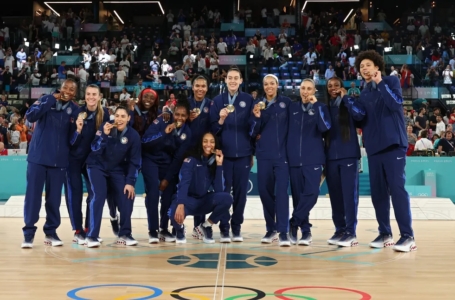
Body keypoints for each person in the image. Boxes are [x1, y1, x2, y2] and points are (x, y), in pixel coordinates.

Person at [349, 50, 416, 252]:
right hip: (374, 148)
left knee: (397, 190)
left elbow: (395, 105)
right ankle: (385, 233)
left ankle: (407, 236)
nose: (364, 69)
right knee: (378, 194)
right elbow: (361, 120)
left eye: (368, 65)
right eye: (361, 66)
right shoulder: (364, 91)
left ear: (377, 67)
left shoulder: (390, 81)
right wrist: (350, 105)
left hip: (394, 145)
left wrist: (380, 83)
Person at [21, 79, 80, 248]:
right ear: (60, 88)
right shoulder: (46, 99)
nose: (68, 91)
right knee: (33, 198)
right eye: (65, 87)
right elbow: (31, 116)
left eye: (71, 89)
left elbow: (72, 140)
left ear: (75, 93)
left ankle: (51, 232)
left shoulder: (75, 110)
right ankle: (28, 234)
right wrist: (51, 100)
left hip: (59, 161)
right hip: (37, 158)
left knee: (54, 200)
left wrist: (78, 131)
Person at [85, 103, 141, 247]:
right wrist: (104, 135)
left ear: (129, 118)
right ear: (113, 116)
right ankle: (92, 236)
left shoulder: (133, 135)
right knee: (99, 195)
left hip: (117, 169)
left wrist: (130, 182)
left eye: (123, 116)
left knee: (127, 195)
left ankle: (125, 233)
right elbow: (94, 149)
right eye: (117, 116)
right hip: (96, 166)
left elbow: (135, 162)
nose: (119, 119)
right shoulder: (105, 127)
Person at [209, 66, 255, 242]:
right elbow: (212, 130)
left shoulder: (248, 99)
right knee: (224, 194)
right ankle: (224, 228)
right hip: (224, 155)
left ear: (241, 80)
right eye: (230, 78)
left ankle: (236, 228)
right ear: (225, 80)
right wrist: (220, 120)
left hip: (243, 154)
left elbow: (252, 127)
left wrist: (251, 152)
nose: (233, 81)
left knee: (241, 194)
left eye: (236, 78)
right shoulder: (218, 100)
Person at [141, 96, 192, 243]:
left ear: (187, 117)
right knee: (153, 192)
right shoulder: (162, 120)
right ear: (173, 112)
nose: (179, 118)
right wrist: (164, 133)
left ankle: (163, 228)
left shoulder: (187, 133)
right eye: (177, 114)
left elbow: (178, 158)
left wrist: (167, 179)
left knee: (169, 193)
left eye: (183, 115)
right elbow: (145, 142)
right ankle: (153, 230)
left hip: (167, 163)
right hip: (150, 159)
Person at [287, 78, 331, 245]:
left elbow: (324, 127)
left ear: (314, 91)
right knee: (298, 197)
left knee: (312, 193)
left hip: (313, 159)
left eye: (309, 89)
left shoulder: (321, 108)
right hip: (294, 160)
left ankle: (294, 222)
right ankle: (305, 231)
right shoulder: (292, 108)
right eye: (303, 88)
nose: (305, 91)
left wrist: (317, 106)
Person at [170, 132, 233, 243]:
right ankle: (179, 230)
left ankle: (206, 226)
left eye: (212, 142)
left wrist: (219, 165)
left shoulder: (214, 162)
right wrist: (181, 204)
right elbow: (184, 183)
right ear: (200, 143)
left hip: (203, 201)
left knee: (227, 198)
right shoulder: (190, 160)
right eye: (205, 141)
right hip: (188, 201)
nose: (208, 144)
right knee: (173, 211)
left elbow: (219, 190)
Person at [251, 74, 291, 246]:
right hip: (264, 155)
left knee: (282, 194)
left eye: (272, 83)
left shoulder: (287, 103)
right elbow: (252, 132)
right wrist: (256, 117)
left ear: (277, 84)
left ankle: (283, 231)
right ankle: (271, 229)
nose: (269, 86)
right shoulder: (258, 105)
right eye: (266, 84)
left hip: (282, 156)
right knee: (265, 193)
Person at [67, 84, 110, 244]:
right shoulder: (77, 113)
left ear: (100, 97)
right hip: (74, 160)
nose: (91, 97)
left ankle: (89, 229)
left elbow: (106, 140)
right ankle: (78, 230)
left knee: (94, 194)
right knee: (75, 194)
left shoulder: (105, 114)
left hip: (93, 160)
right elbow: (71, 142)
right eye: (88, 94)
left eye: (94, 94)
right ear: (84, 96)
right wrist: (78, 130)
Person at [324, 77, 361, 247]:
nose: (333, 88)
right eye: (330, 86)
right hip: (331, 157)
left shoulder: (349, 103)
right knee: (336, 197)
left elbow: (360, 116)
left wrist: (346, 98)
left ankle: (350, 232)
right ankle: (339, 229)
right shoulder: (325, 107)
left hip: (348, 156)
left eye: (336, 86)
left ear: (342, 87)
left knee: (349, 195)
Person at [187, 75, 213, 239]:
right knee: (185, 187)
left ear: (207, 88)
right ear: (192, 87)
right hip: (187, 152)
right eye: (197, 86)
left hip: (205, 152)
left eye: (203, 86)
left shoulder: (211, 104)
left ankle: (199, 226)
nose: (200, 89)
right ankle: (178, 224)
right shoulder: (186, 103)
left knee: (202, 189)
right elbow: (177, 122)